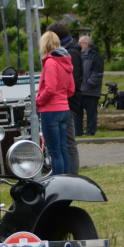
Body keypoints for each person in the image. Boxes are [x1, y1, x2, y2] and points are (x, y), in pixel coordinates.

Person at [36, 31, 75, 176]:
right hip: (64, 108)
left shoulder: (51, 62)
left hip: (51, 111)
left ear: (45, 44)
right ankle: (65, 179)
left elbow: (50, 89)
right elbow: (71, 89)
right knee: (62, 148)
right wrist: (62, 97)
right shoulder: (66, 61)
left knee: (54, 151)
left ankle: (57, 182)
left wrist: (38, 100)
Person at [47, 22, 83, 175]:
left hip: (68, 102)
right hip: (66, 102)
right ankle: (67, 175)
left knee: (68, 143)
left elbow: (70, 81)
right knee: (63, 144)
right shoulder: (69, 50)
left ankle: (73, 176)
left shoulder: (71, 53)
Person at [74, 35, 104, 136]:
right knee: (77, 114)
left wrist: (89, 83)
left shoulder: (96, 56)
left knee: (91, 114)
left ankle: (90, 132)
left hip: (90, 91)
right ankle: (78, 132)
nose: (78, 45)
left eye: (80, 43)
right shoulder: (78, 55)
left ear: (86, 44)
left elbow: (97, 73)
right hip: (79, 90)